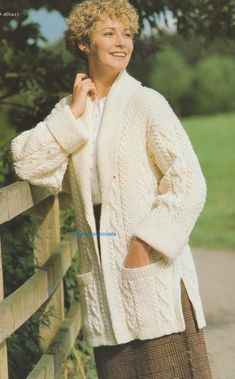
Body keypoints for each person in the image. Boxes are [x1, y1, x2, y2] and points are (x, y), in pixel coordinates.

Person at [10, 0, 213, 377]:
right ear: (85, 44)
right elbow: (27, 162)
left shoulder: (147, 103)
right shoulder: (73, 112)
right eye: (109, 33)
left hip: (149, 262)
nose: (122, 43)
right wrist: (72, 115)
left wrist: (146, 243)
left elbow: (189, 182)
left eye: (128, 34)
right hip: (103, 275)